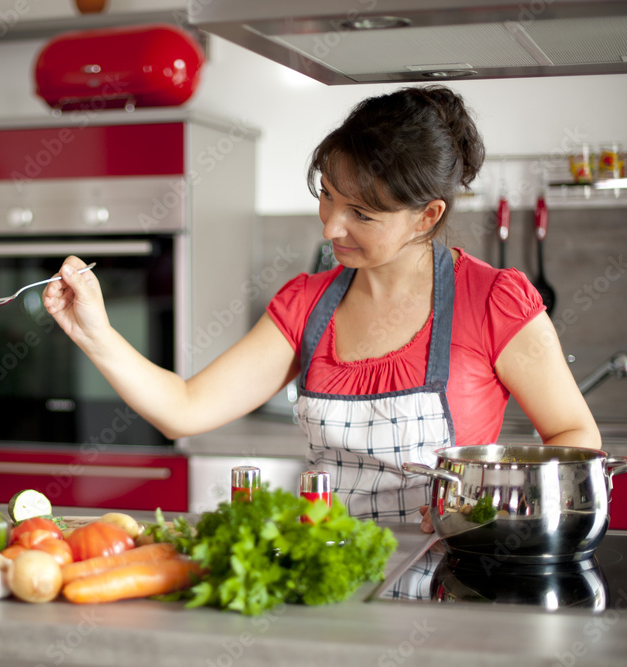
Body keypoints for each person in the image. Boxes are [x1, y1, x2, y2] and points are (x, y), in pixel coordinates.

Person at [42, 85, 600, 527]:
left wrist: (485, 504)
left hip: (453, 580)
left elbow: (576, 435)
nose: (332, 225)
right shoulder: (306, 304)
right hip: (332, 574)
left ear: (426, 216)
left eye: (362, 213)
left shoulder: (494, 301)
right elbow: (184, 407)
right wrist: (94, 331)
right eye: (327, 194)